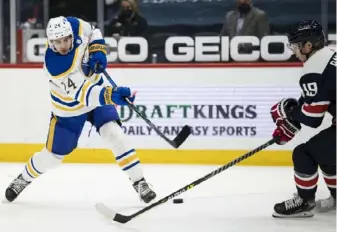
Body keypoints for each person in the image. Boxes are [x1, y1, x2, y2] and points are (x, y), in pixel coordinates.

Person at [4, 16, 157, 204]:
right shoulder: (56, 65)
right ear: (50, 42)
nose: (62, 45)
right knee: (52, 157)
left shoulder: (75, 25)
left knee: (114, 135)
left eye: (66, 40)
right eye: (57, 42)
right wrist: (113, 94)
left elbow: (93, 31)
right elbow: (86, 94)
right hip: (69, 110)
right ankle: (23, 179)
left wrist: (97, 50)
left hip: (96, 97)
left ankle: (140, 182)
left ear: (70, 34)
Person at [270, 20, 336, 218]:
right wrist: (295, 115)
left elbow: (313, 117)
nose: (293, 51)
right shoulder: (331, 54)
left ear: (308, 45)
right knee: (325, 154)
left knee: (303, 154)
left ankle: (304, 201)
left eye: (296, 46)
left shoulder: (313, 67)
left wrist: (290, 115)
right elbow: (319, 98)